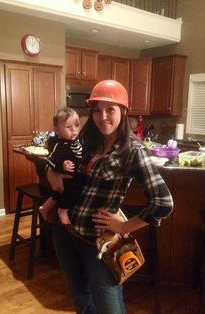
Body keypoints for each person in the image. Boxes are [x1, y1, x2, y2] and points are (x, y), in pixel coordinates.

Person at [47, 80, 173, 314]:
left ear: (123, 112)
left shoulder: (132, 151)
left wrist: (125, 225)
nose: (102, 116)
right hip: (65, 233)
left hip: (98, 244)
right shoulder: (86, 141)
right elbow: (56, 158)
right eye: (97, 110)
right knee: (81, 301)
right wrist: (51, 171)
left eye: (110, 110)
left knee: (109, 308)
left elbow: (163, 202)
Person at [39, 107, 83, 225]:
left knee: (60, 193)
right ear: (57, 130)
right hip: (66, 176)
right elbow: (50, 160)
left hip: (75, 174)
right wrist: (61, 166)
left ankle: (45, 208)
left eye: (77, 125)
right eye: (69, 127)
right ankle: (62, 210)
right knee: (69, 191)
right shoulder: (60, 145)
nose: (74, 130)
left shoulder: (78, 140)